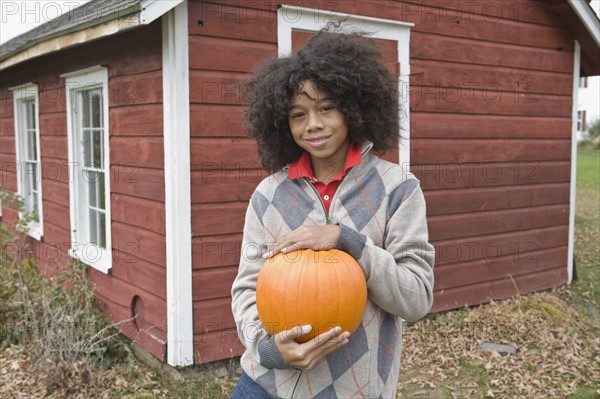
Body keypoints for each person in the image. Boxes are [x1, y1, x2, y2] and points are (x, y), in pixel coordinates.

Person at [230, 29, 435, 399]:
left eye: (326, 107)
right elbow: (247, 287)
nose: (313, 124)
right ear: (282, 122)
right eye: (298, 114)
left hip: (351, 390)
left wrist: (348, 241)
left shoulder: (398, 188)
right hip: (264, 384)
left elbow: (416, 298)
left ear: (353, 107)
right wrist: (268, 348)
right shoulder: (268, 195)